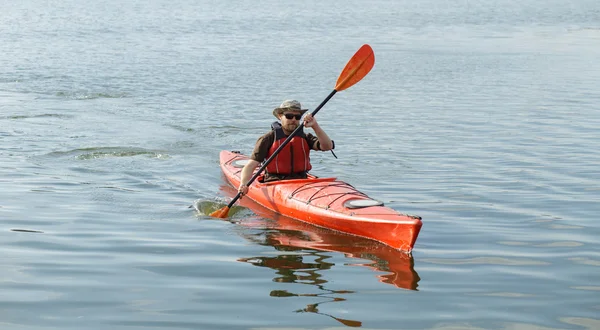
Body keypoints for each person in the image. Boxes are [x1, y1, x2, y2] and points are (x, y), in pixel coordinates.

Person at [238, 99, 334, 196]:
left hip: (301, 182)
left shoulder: (305, 137)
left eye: (297, 117)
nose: (293, 120)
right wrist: (243, 184)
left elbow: (327, 146)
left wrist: (315, 126)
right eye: (289, 116)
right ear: (280, 116)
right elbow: (251, 165)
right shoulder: (268, 139)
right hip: (275, 183)